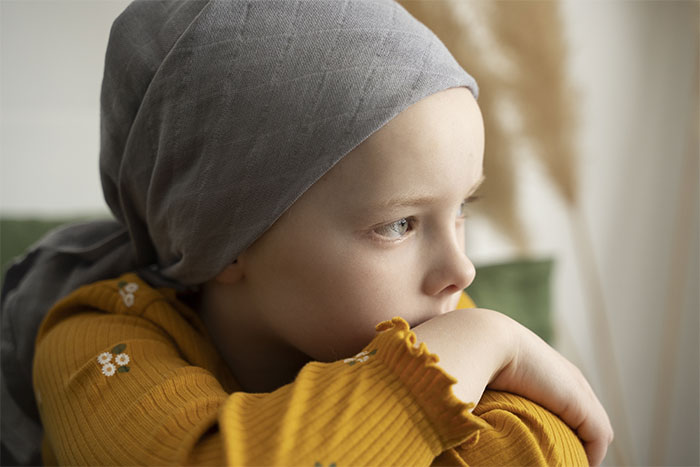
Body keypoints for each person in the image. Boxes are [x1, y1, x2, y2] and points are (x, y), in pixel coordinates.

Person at [1, 0, 612, 465]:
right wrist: (481, 343)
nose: (461, 270)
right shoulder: (93, 343)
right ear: (227, 239)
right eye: (399, 223)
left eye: (462, 211)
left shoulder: (433, 322)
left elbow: (541, 449)